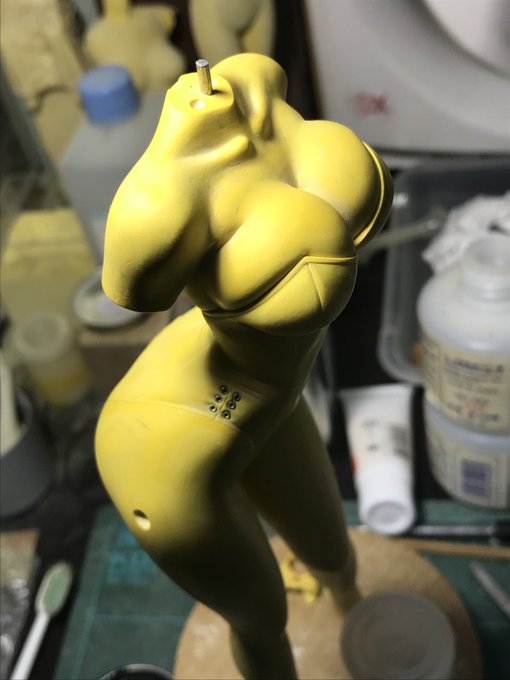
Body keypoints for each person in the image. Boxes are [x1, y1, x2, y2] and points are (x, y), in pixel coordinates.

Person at [95, 54, 392, 679]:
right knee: (261, 619)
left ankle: (357, 616)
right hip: (170, 453)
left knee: (330, 545)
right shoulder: (160, 201)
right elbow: (130, 287)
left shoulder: (256, 81)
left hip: (270, 399)